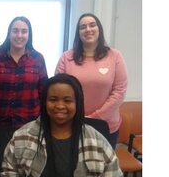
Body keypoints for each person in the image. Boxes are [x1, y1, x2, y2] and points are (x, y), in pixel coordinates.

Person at [0, 73, 125, 177]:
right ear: (44, 102)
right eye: (53, 100)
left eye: (67, 100)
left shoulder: (97, 141)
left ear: (78, 103)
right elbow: (9, 175)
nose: (60, 106)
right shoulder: (22, 136)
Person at [0, 16, 48, 177]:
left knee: (24, 165)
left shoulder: (37, 59)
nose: (19, 35)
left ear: (29, 34)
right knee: (1, 165)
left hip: (29, 124)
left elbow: (44, 93)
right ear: (9, 33)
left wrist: (43, 120)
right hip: (0, 124)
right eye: (15, 30)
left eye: (24, 31)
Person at [55, 13, 128, 148]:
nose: (88, 29)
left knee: (102, 168)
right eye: (83, 27)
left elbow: (119, 91)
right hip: (72, 124)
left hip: (105, 127)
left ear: (99, 29)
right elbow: (57, 90)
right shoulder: (66, 57)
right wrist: (76, 117)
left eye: (92, 25)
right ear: (78, 33)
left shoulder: (114, 56)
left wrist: (95, 117)